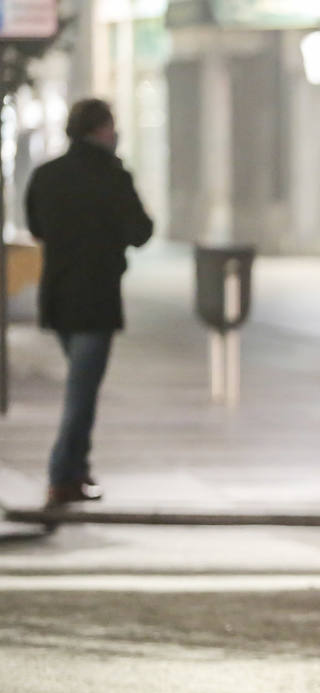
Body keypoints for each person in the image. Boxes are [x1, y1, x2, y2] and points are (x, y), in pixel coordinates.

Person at [25, 99, 153, 507]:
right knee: (81, 393)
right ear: (100, 130)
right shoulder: (113, 177)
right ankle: (62, 474)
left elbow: (36, 227)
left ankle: (77, 471)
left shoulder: (46, 175)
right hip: (96, 298)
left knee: (82, 386)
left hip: (58, 297)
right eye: (111, 127)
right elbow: (141, 231)